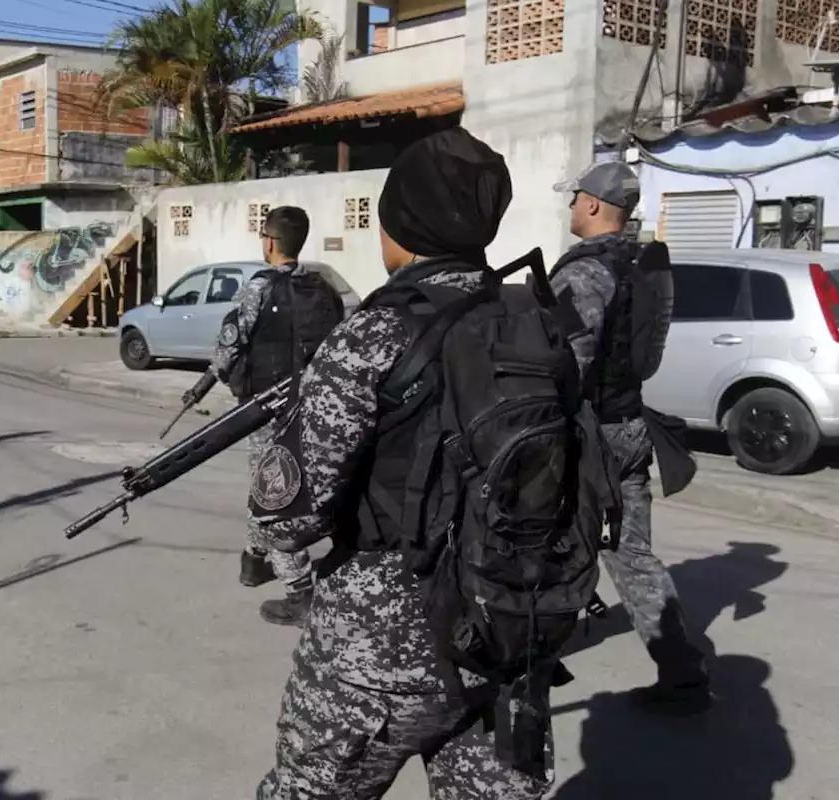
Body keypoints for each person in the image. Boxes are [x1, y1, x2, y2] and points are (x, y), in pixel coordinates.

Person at [249, 129, 553, 799]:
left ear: (402, 228)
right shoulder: (534, 320)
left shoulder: (375, 332)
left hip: (380, 652)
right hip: (507, 627)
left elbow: (287, 511)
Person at [548, 161, 713, 716]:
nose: (570, 207)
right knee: (631, 552)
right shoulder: (642, 261)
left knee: (544, 541)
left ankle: (528, 664)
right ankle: (683, 673)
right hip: (629, 425)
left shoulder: (586, 273)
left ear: (593, 205)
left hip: (587, 432)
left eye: (574, 199)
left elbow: (569, 357)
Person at [184, 205, 344, 627]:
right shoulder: (323, 287)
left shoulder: (258, 288)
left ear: (269, 242)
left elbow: (229, 346)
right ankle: (255, 562)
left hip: (269, 412)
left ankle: (299, 591)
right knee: (279, 487)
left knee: (270, 496)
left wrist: (205, 383)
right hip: (315, 408)